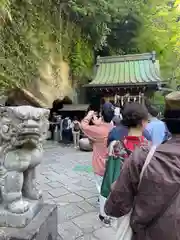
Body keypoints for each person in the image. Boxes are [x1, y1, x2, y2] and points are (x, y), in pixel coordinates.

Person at [104, 91, 180, 240]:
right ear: (144, 122)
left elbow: (115, 206)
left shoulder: (143, 156)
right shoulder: (144, 149)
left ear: (167, 123)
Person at [81, 103, 114, 224]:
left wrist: (89, 115)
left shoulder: (98, 130)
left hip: (99, 165)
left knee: (101, 189)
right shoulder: (112, 127)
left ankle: (104, 214)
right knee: (109, 186)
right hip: (111, 165)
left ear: (102, 114)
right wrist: (97, 121)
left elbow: (83, 126)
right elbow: (103, 125)